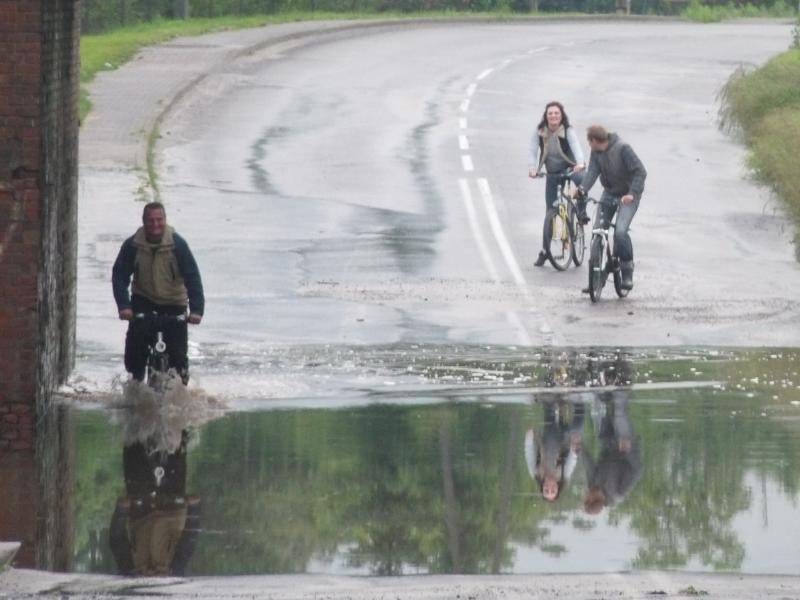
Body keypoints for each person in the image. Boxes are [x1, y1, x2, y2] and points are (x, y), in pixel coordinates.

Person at [112, 202, 204, 385]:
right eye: (150, 221)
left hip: (173, 303)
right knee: (134, 354)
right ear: (143, 221)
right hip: (144, 302)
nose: (155, 225)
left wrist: (196, 311)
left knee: (178, 357)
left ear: (165, 220)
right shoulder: (132, 245)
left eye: (159, 220)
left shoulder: (178, 245)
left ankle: (179, 393)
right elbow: (119, 276)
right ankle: (135, 390)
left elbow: (192, 277)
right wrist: (124, 306)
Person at [574, 125, 646, 290]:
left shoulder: (623, 149)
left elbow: (640, 172)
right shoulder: (596, 152)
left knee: (620, 232)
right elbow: (592, 172)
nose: (589, 145)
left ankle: (627, 270)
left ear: (593, 140)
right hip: (610, 193)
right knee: (598, 231)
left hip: (628, 195)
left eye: (589, 142)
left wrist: (632, 193)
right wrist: (582, 189)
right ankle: (596, 277)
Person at [528, 101, 587, 268]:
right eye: (550, 113)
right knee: (549, 212)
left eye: (556, 113)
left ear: (561, 116)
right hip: (552, 172)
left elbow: (576, 148)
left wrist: (580, 163)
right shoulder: (539, 131)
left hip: (570, 167)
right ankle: (545, 250)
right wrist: (533, 168)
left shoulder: (568, 130)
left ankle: (581, 211)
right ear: (546, 116)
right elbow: (532, 150)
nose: (553, 116)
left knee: (582, 180)